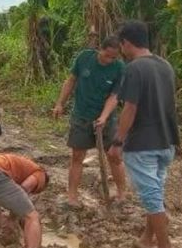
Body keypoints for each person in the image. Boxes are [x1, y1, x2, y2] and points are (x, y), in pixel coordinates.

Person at [108, 21, 179, 248]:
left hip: (143, 144)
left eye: (122, 45)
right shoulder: (165, 66)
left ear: (126, 42)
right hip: (167, 141)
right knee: (156, 193)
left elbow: (130, 108)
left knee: (151, 197)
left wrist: (118, 140)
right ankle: (147, 240)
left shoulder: (134, 69)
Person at [52, 36, 129, 208]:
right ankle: (72, 197)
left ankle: (122, 194)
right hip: (81, 116)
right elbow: (71, 81)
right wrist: (60, 103)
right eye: (107, 56)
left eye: (113, 57)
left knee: (114, 156)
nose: (109, 60)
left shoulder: (119, 68)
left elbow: (114, 96)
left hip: (107, 120)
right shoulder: (84, 58)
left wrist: (103, 116)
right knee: (77, 156)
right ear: (99, 50)